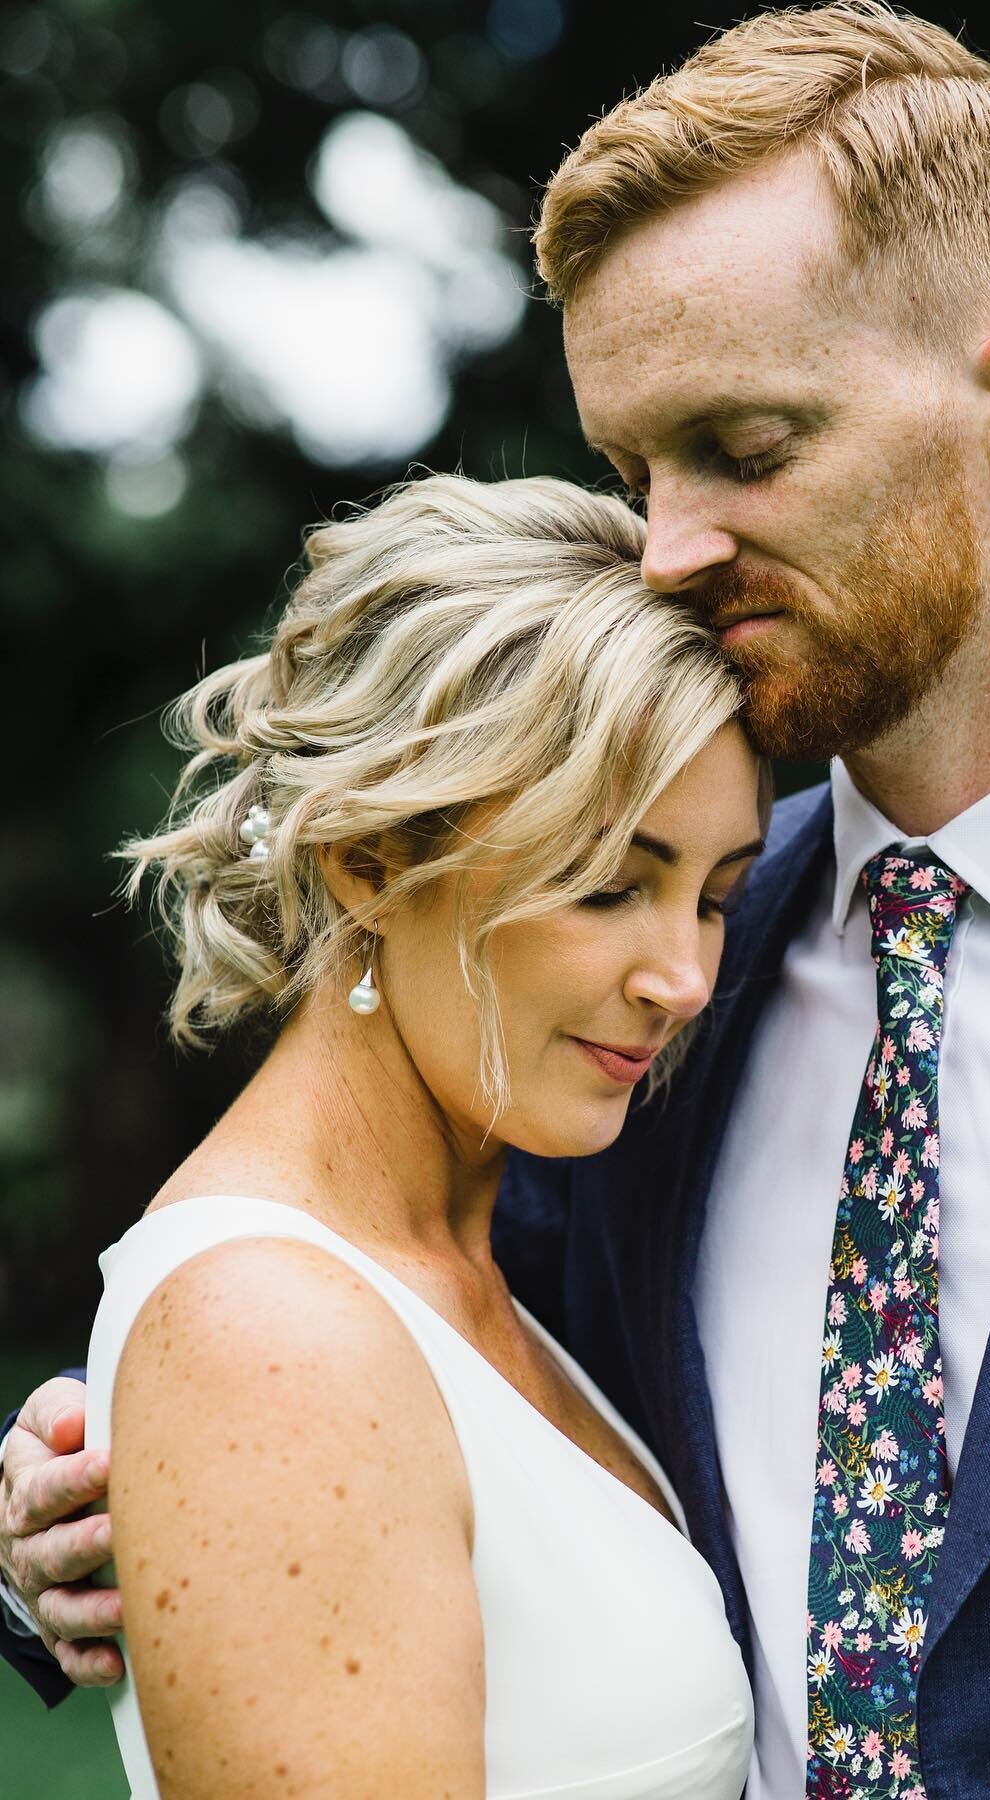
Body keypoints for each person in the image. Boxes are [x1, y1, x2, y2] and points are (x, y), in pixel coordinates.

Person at [5, 2, 990, 1793]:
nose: (668, 547)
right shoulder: (635, 1001)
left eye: (745, 450)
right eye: (633, 470)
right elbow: (367, 1354)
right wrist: (83, 1472)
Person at [1, 471, 761, 1795]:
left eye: (714, 896)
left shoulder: (488, 1260)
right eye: (607, 884)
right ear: (366, 862)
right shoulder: (267, 1336)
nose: (684, 977)